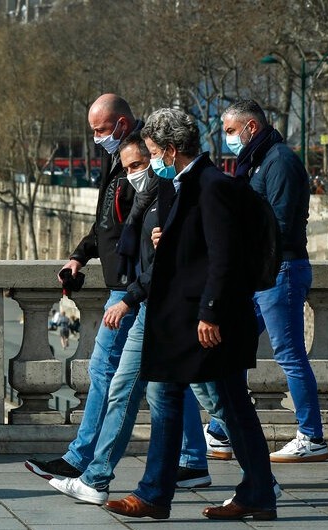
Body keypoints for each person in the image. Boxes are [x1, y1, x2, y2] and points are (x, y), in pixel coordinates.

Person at [104, 108, 276, 521]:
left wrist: (211, 314)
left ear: (170, 149)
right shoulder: (180, 185)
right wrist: (136, 291)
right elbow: (187, 253)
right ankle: (165, 494)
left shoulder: (211, 186)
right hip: (181, 319)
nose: (150, 159)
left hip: (205, 321)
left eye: (151, 151)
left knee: (230, 404)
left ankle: (170, 494)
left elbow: (224, 258)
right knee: (189, 398)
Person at [48, 132, 212, 506]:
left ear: (168, 152)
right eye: (131, 166)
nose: (136, 171)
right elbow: (127, 244)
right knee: (141, 390)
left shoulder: (189, 191)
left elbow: (186, 259)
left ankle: (253, 479)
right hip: (150, 305)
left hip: (174, 308)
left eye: (145, 160)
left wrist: (128, 297)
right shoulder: (149, 198)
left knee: (216, 398)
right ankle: (104, 478)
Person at [25, 93, 142, 481]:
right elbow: (106, 224)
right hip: (125, 285)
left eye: (101, 130)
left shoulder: (138, 162)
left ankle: (80, 460)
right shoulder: (117, 157)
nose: (96, 138)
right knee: (162, 384)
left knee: (104, 370)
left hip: (130, 288)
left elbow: (143, 231)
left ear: (122, 124)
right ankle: (192, 460)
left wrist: (130, 292)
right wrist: (78, 257)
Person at [216, 100, 328, 463]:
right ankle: (221, 430)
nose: (226, 139)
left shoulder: (278, 161)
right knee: (232, 345)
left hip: (281, 270)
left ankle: (311, 437)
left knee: (290, 354)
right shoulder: (258, 160)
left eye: (230, 131)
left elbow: (277, 226)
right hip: (264, 271)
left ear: (250, 128)